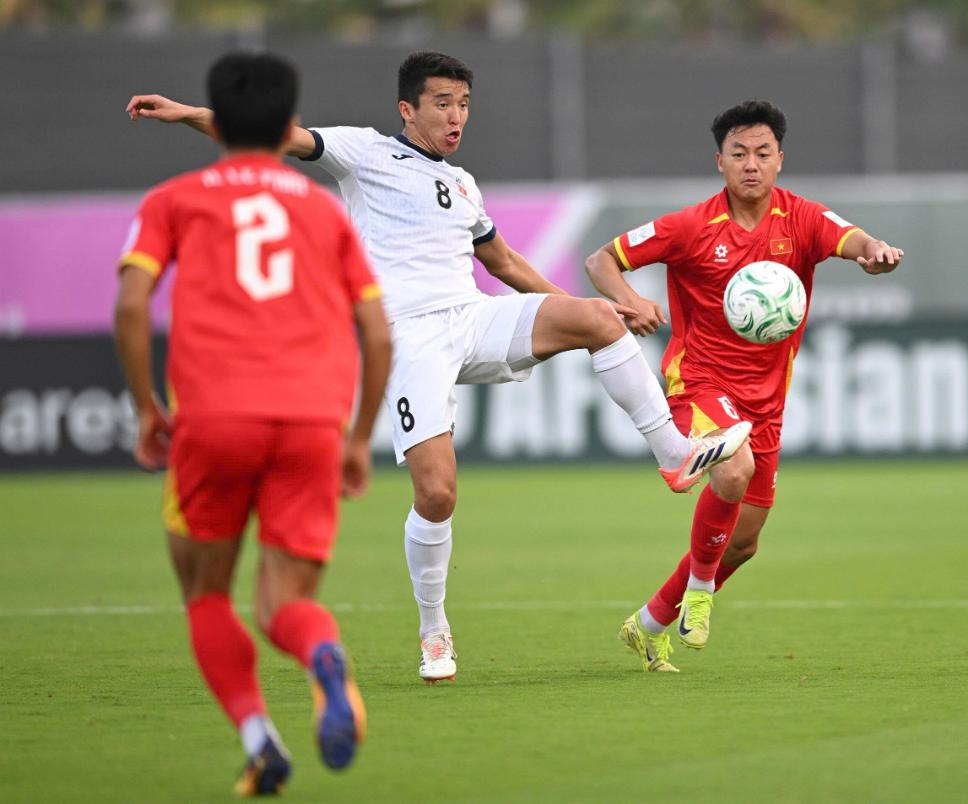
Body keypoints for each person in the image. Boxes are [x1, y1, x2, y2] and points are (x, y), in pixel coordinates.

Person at [126, 51, 751, 684]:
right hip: (408, 337)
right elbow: (274, 135)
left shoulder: (463, 184)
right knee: (437, 492)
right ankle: (433, 631)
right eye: (443, 104)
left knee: (594, 319)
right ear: (408, 109)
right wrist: (183, 114)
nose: (457, 117)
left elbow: (503, 262)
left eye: (464, 105)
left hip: (472, 318)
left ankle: (674, 454)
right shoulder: (362, 152)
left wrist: (609, 304)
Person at [114, 52, 392, 794]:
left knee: (207, 593)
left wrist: (148, 408)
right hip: (309, 422)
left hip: (214, 418)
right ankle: (322, 658)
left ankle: (259, 737)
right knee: (287, 603)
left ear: (216, 116)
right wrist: (360, 438)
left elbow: (132, 304)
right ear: (287, 122)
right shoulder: (322, 212)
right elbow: (377, 332)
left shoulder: (174, 199)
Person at [586, 99, 903, 672]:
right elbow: (601, 259)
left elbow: (853, 239)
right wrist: (630, 302)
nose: (750, 164)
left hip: (766, 400)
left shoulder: (802, 219)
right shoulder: (688, 227)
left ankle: (650, 624)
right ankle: (700, 595)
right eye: (739, 154)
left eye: (762, 153)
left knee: (745, 541)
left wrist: (874, 254)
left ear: (780, 158)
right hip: (699, 381)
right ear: (720, 162)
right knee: (732, 469)